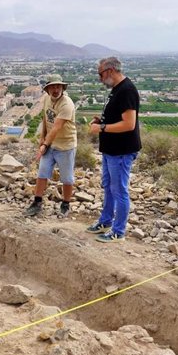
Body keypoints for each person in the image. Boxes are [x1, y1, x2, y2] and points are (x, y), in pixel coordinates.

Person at [87, 57, 141, 242]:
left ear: (110, 71)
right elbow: (117, 117)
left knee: (119, 190)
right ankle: (105, 221)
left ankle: (118, 231)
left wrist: (102, 128)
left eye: (100, 74)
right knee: (109, 187)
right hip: (111, 150)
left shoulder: (126, 90)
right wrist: (101, 120)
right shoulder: (117, 89)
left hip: (121, 150)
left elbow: (129, 124)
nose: (100, 79)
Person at [24, 74, 77, 218]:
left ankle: (66, 204)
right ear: (47, 89)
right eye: (53, 87)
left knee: (66, 178)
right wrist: (42, 139)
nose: (56, 89)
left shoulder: (67, 104)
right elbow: (46, 119)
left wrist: (45, 144)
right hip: (50, 143)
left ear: (62, 87)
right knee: (42, 173)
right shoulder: (47, 99)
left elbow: (57, 127)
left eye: (58, 86)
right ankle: (37, 202)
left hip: (65, 145)